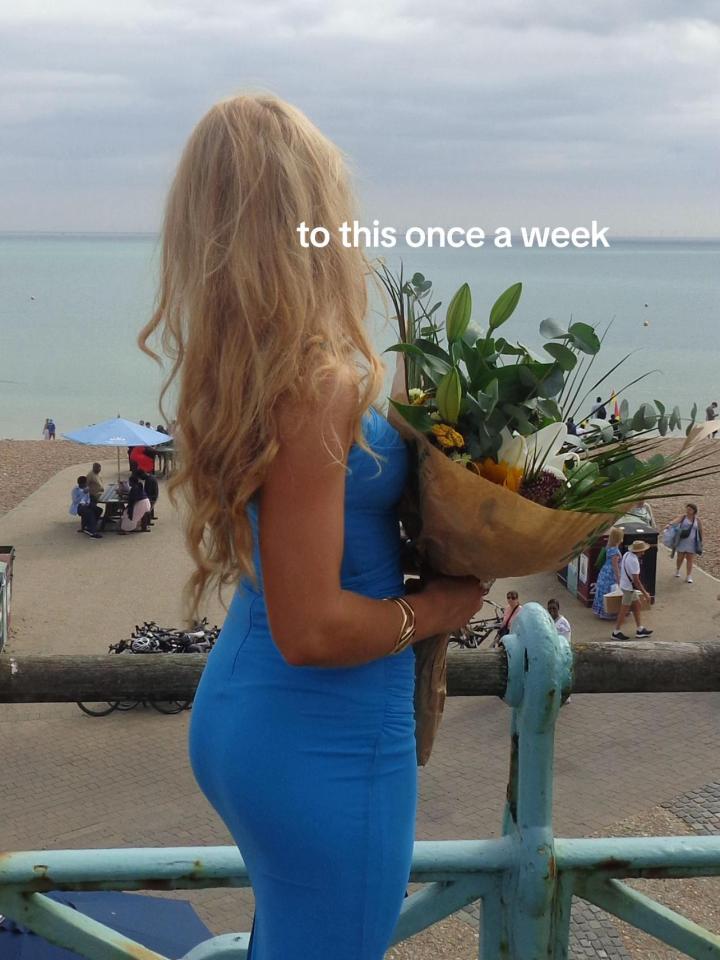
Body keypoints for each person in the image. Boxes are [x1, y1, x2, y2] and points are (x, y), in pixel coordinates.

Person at [138, 93, 487, 960]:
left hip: (252, 718)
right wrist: (443, 607)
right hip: (325, 739)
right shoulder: (320, 385)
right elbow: (313, 626)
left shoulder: (250, 375)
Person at [611, 541, 654, 640]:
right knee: (624, 609)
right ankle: (616, 631)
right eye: (642, 551)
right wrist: (645, 593)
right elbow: (636, 581)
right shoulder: (634, 562)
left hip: (625, 584)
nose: (643, 552)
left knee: (637, 604)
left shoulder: (626, 554)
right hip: (628, 588)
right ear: (639, 551)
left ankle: (640, 629)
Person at [592, 525, 624, 619]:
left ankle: (601, 611)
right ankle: (610, 612)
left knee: (603, 591)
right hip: (610, 575)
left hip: (604, 572)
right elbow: (615, 567)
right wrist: (619, 579)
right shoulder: (615, 551)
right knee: (611, 592)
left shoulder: (608, 547)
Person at [668, 502, 703, 583]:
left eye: (690, 509)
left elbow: (701, 530)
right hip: (682, 541)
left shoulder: (697, 520)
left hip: (692, 543)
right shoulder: (683, 517)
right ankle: (677, 570)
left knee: (690, 559)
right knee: (680, 558)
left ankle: (688, 576)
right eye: (687, 509)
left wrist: (701, 541)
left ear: (694, 511)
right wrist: (669, 525)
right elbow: (675, 521)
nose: (688, 511)